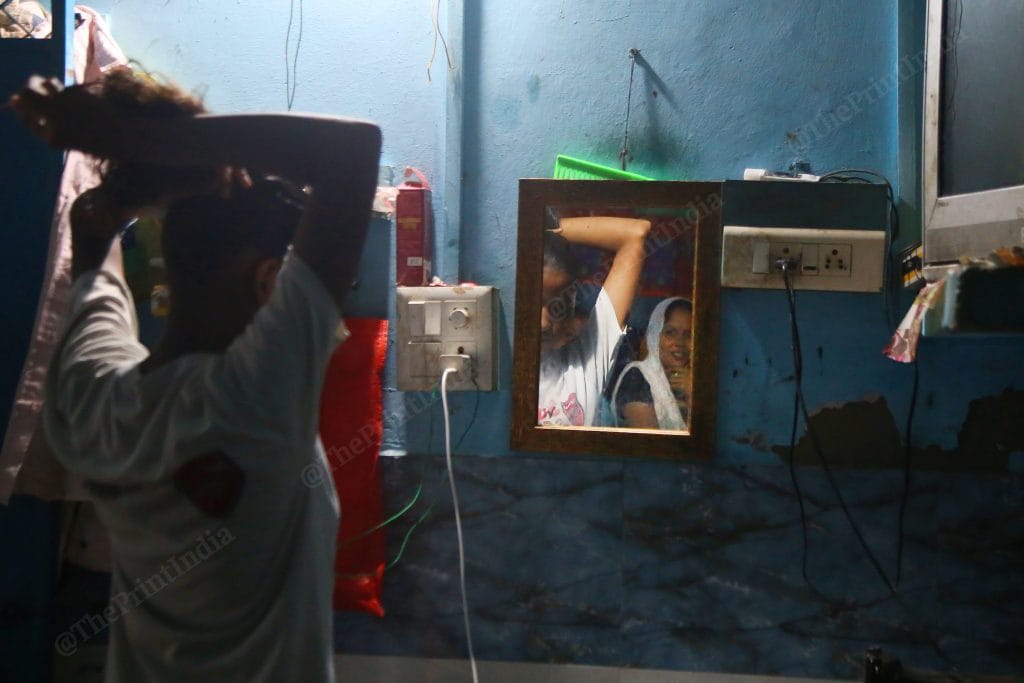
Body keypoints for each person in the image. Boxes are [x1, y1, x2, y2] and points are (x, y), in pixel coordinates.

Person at [9, 71, 381, 682]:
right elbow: (352, 151)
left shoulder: (92, 398)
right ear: (268, 282)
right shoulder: (256, 398)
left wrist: (143, 151)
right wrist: (140, 139)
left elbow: (91, 230)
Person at [537, 215, 650, 426]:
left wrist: (548, 231)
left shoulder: (586, 359)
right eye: (534, 301)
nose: (543, 323)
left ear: (571, 306)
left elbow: (635, 234)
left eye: (556, 307)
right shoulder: (500, 364)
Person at [611, 296, 693, 430]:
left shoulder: (691, 380)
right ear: (655, 335)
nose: (680, 343)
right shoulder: (637, 377)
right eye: (670, 333)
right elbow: (648, 444)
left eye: (689, 335)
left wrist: (692, 393)